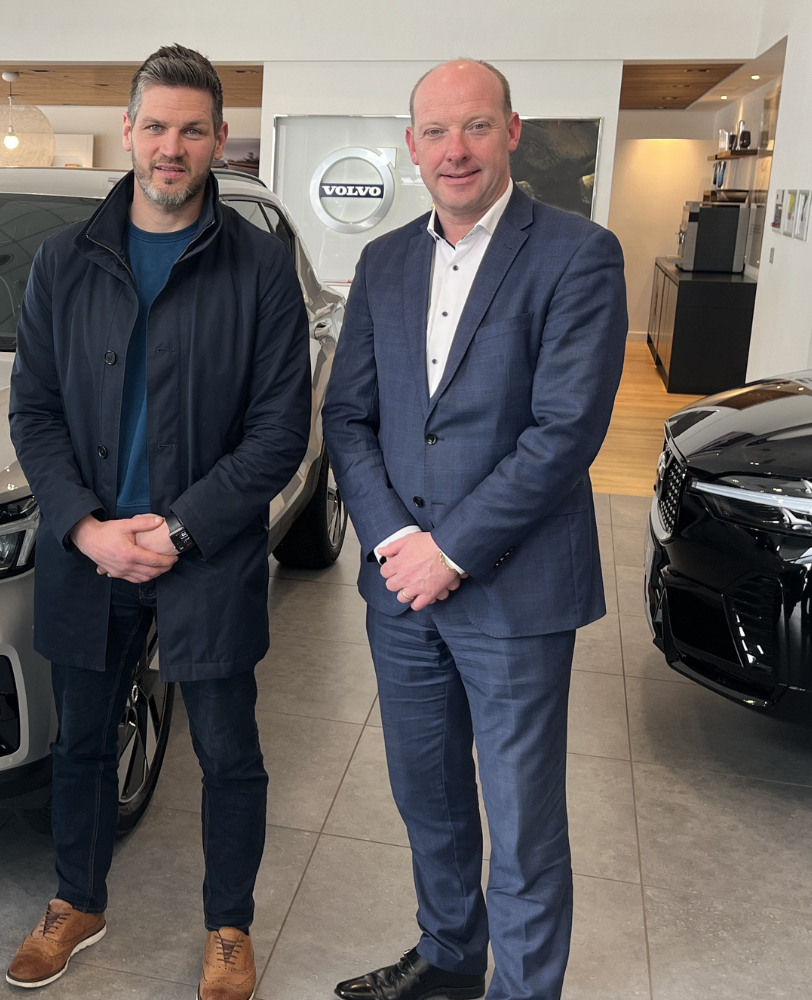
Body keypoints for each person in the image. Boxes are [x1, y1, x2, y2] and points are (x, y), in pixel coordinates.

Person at [7, 44, 311, 1000]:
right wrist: (86, 527)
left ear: (220, 139)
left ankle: (229, 926)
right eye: (155, 125)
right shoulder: (65, 261)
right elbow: (34, 412)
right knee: (85, 741)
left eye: (191, 128)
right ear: (128, 131)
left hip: (205, 556)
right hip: (89, 550)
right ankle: (76, 901)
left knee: (229, 753)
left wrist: (177, 531)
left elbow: (278, 433)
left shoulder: (258, 266)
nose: (170, 146)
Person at [322, 59, 627, 1000]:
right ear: (411, 145)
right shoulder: (385, 260)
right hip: (400, 587)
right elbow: (350, 418)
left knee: (523, 821)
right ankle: (452, 959)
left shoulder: (579, 252)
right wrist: (392, 543)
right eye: (437, 132)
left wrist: (449, 550)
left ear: (512, 133)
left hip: (514, 590)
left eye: (477, 127)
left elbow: (563, 431)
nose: (456, 150)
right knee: (429, 798)